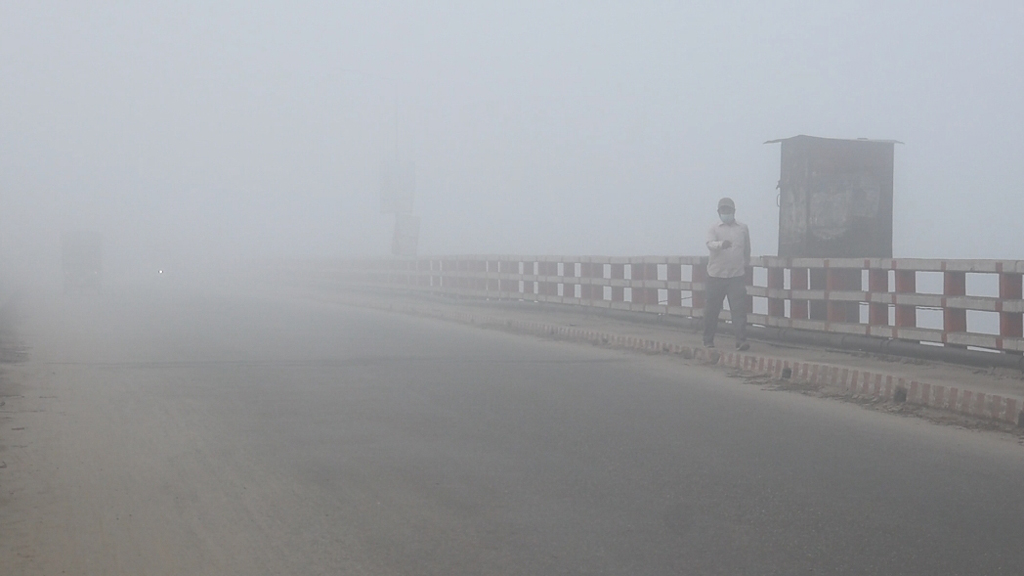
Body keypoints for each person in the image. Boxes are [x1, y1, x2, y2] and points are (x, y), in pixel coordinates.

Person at [704, 197, 751, 350]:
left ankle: (741, 341)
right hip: (716, 275)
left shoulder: (742, 228)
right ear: (718, 212)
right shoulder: (714, 228)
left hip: (736, 276)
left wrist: (745, 266)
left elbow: (747, 249)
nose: (726, 212)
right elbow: (709, 244)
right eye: (723, 210)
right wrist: (721, 245)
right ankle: (708, 340)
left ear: (734, 211)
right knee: (712, 311)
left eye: (728, 210)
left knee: (739, 311)